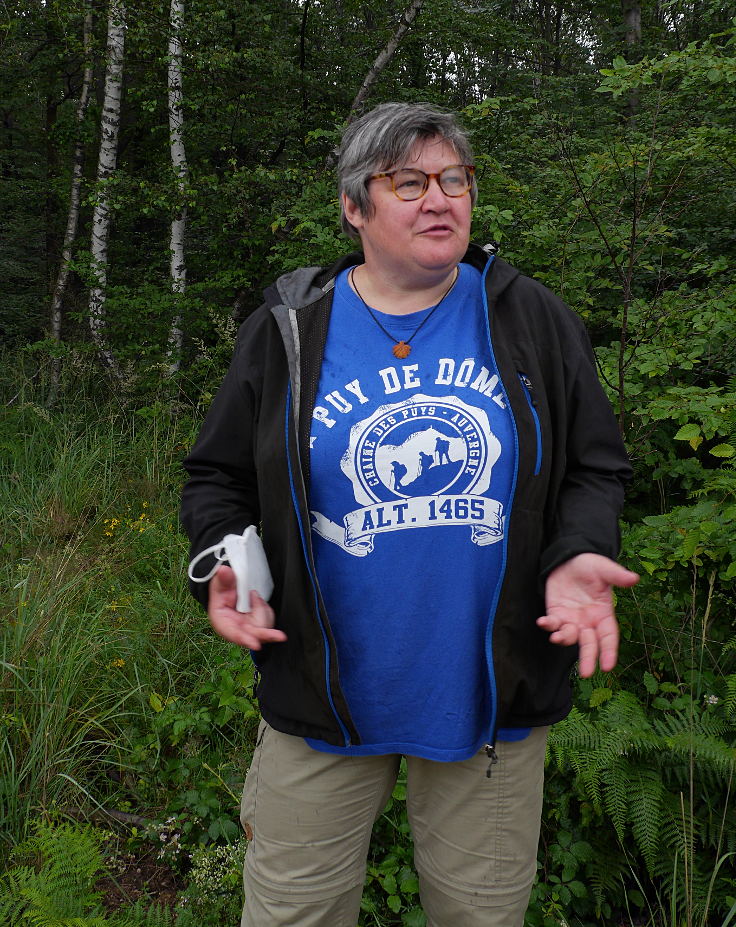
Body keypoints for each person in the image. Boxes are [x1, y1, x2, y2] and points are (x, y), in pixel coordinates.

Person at [180, 102, 638, 927]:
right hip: (321, 698)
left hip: (486, 702)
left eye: (455, 179)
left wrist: (578, 548)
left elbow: (594, 466)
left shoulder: (531, 320)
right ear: (355, 207)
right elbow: (216, 476)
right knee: (291, 915)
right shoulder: (286, 332)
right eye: (410, 182)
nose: (441, 199)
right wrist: (225, 555)